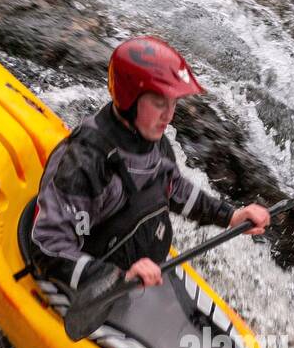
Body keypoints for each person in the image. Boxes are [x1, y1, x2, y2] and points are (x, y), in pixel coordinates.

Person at [30, 36, 270, 296]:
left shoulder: (155, 143)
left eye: (174, 103)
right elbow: (48, 247)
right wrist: (117, 277)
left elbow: (174, 188)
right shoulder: (83, 164)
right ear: (129, 99)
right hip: (88, 284)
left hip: (138, 273)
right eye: (159, 102)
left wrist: (230, 216)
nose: (169, 115)